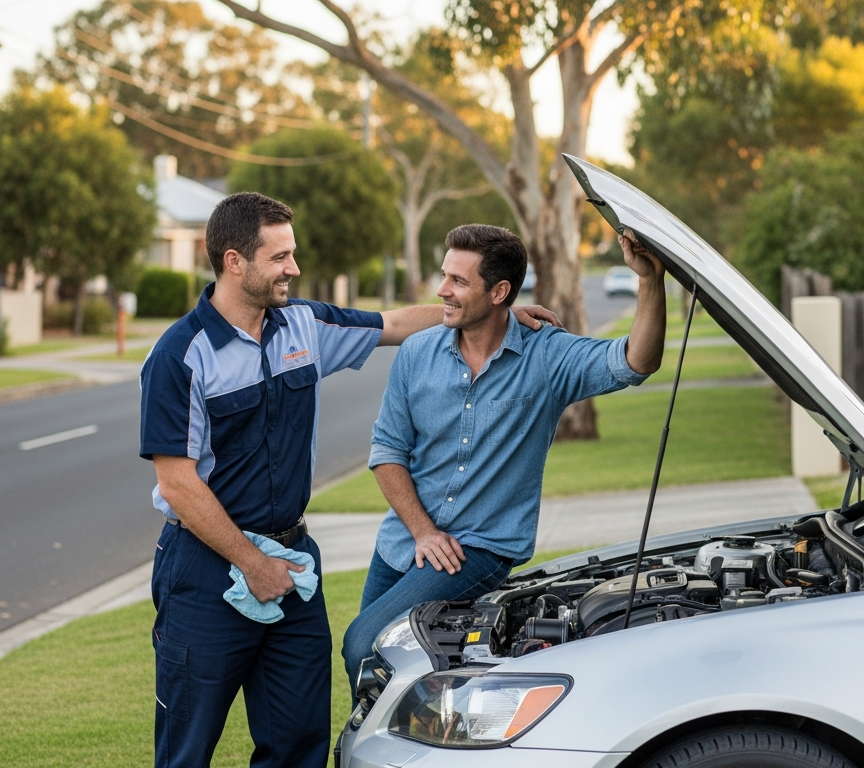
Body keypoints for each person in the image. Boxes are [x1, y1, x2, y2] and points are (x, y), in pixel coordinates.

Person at [139, 193, 557, 768]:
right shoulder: (180, 355)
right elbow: (180, 486)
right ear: (234, 262)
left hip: (291, 567)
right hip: (206, 571)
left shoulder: (303, 326)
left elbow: (393, 324)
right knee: (187, 751)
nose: (294, 268)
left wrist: (496, 311)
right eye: (280, 256)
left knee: (299, 744)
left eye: (293, 253)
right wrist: (252, 565)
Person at [343, 223, 666, 695]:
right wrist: (422, 530)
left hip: (478, 549)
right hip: (403, 540)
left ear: (500, 292)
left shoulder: (547, 357)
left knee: (364, 645)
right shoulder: (417, 353)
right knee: (382, 673)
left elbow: (636, 361)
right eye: (444, 275)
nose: (442, 291)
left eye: (458, 281)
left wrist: (649, 281)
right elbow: (388, 452)